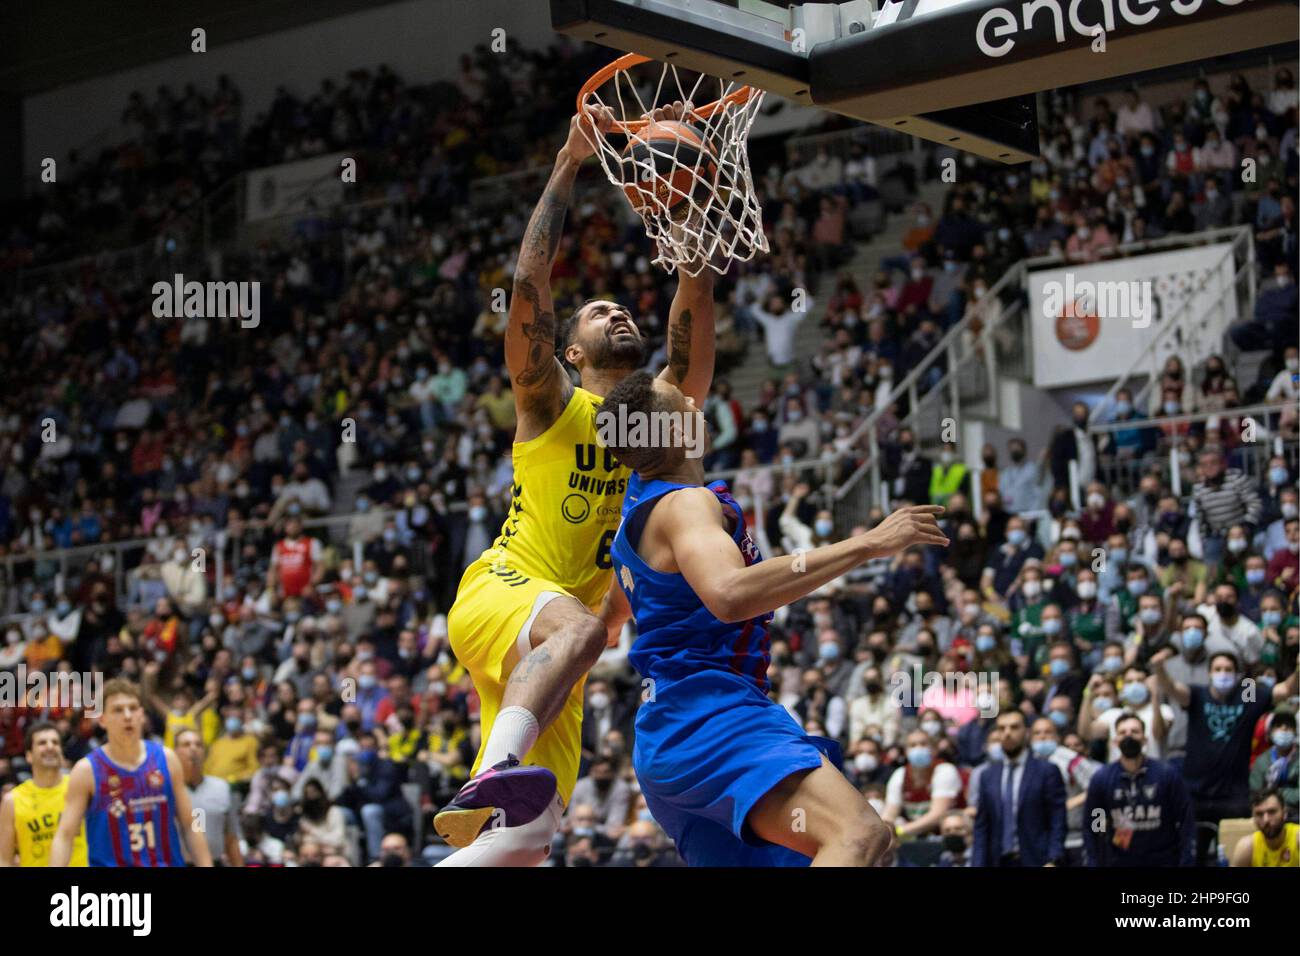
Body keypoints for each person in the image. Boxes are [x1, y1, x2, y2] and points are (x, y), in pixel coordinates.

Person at [433, 102, 719, 866]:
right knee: (582, 632)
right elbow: (529, 281)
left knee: (528, 839)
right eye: (599, 311)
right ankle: (493, 771)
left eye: (624, 307)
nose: (617, 312)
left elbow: (690, 331)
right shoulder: (552, 400)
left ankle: (495, 798)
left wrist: (690, 230)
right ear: (571, 348)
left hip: (559, 644)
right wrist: (567, 166)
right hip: (505, 588)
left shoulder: (653, 423)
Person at [601, 368, 949, 864]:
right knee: (860, 835)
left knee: (854, 848)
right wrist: (869, 544)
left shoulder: (634, 516)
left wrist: (693, 289)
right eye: (685, 402)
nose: (698, 405)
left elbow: (610, 618)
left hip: (666, 738)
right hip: (711, 717)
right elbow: (729, 594)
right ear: (678, 432)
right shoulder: (684, 505)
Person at [1150, 647, 1299, 864]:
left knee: (1233, 857)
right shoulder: (1197, 695)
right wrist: (1158, 668)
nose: (1223, 673)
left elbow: (1285, 690)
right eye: (1218, 669)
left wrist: (1298, 668)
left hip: (1234, 796)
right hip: (1195, 794)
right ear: (1209, 673)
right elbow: (1171, 688)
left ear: (1237, 674)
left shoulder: (1246, 697)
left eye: (1228, 669)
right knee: (1190, 859)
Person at [51, 679, 212, 866]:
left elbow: (190, 825)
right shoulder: (86, 770)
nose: (127, 716)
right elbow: (64, 836)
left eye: (133, 708)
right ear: (102, 719)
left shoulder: (167, 759)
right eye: (118, 710)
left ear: (142, 715)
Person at [1082, 713, 1195, 866]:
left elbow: (1185, 820)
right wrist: (1095, 862)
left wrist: (1186, 861)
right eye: (1123, 732)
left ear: (1145, 739)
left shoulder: (1166, 775)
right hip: (1119, 861)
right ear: (1115, 741)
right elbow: (1095, 827)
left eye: (1135, 732)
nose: (1129, 736)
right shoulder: (1102, 779)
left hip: (1163, 860)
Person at [972, 711, 1067, 867]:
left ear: (1027, 732)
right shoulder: (988, 775)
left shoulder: (1046, 771)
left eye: (1014, 727)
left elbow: (1057, 818)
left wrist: (1054, 858)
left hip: (1037, 859)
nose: (1007, 733)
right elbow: (982, 826)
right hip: (999, 860)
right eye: (1002, 728)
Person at [0, 722, 88, 866]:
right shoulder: (12, 801)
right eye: (42, 743)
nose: (50, 746)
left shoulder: (80, 788)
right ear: (28, 755)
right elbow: (4, 861)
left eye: (55, 742)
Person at [175, 728, 243, 866]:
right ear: (175, 752)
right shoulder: (167, 788)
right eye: (186, 744)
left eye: (198, 744)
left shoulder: (221, 787)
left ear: (204, 753)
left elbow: (231, 837)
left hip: (214, 862)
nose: (193, 748)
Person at [1229, 788, 1299, 867]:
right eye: (1259, 814)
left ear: (1284, 813)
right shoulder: (1247, 847)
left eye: (1272, 812)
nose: (1266, 820)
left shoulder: (1297, 838)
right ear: (1253, 818)